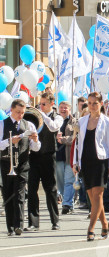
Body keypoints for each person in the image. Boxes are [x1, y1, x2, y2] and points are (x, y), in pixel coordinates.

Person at [73, 92, 109, 241]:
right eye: (89, 103)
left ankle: (90, 228)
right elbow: (77, 143)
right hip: (86, 161)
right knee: (92, 197)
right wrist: (75, 162)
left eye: (95, 103)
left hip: (101, 161)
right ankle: (104, 223)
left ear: (101, 104)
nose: (92, 106)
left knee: (98, 195)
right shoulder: (82, 120)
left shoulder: (107, 121)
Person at [1, 99, 40, 236]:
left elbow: (35, 148)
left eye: (22, 113)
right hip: (7, 163)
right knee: (8, 194)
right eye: (18, 112)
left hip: (23, 164)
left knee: (20, 195)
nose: (20, 115)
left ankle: (19, 225)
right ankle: (10, 227)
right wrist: (10, 141)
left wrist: (35, 140)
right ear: (11, 110)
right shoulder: (2, 124)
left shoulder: (28, 125)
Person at [25, 91, 63, 231]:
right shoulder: (35, 115)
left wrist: (42, 115)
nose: (40, 106)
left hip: (48, 155)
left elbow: (53, 127)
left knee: (50, 189)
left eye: (43, 104)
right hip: (34, 156)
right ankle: (33, 223)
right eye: (40, 104)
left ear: (52, 104)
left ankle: (55, 221)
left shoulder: (57, 117)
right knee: (32, 188)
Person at [55, 99, 78, 214]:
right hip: (57, 155)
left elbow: (75, 138)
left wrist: (62, 140)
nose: (63, 110)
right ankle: (68, 201)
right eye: (61, 107)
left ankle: (67, 204)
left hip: (69, 155)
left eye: (66, 108)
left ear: (69, 109)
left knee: (69, 180)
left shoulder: (74, 122)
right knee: (60, 182)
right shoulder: (54, 121)